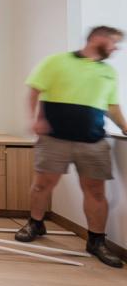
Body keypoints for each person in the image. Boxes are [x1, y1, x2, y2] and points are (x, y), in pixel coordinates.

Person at [16, 26, 127, 268]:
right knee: (42, 185)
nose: (116, 48)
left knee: (96, 191)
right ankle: (35, 223)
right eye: (114, 42)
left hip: (93, 141)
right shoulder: (57, 62)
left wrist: (125, 127)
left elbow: (112, 106)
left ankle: (96, 241)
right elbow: (34, 90)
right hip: (54, 138)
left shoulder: (108, 72)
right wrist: (35, 119)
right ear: (97, 39)